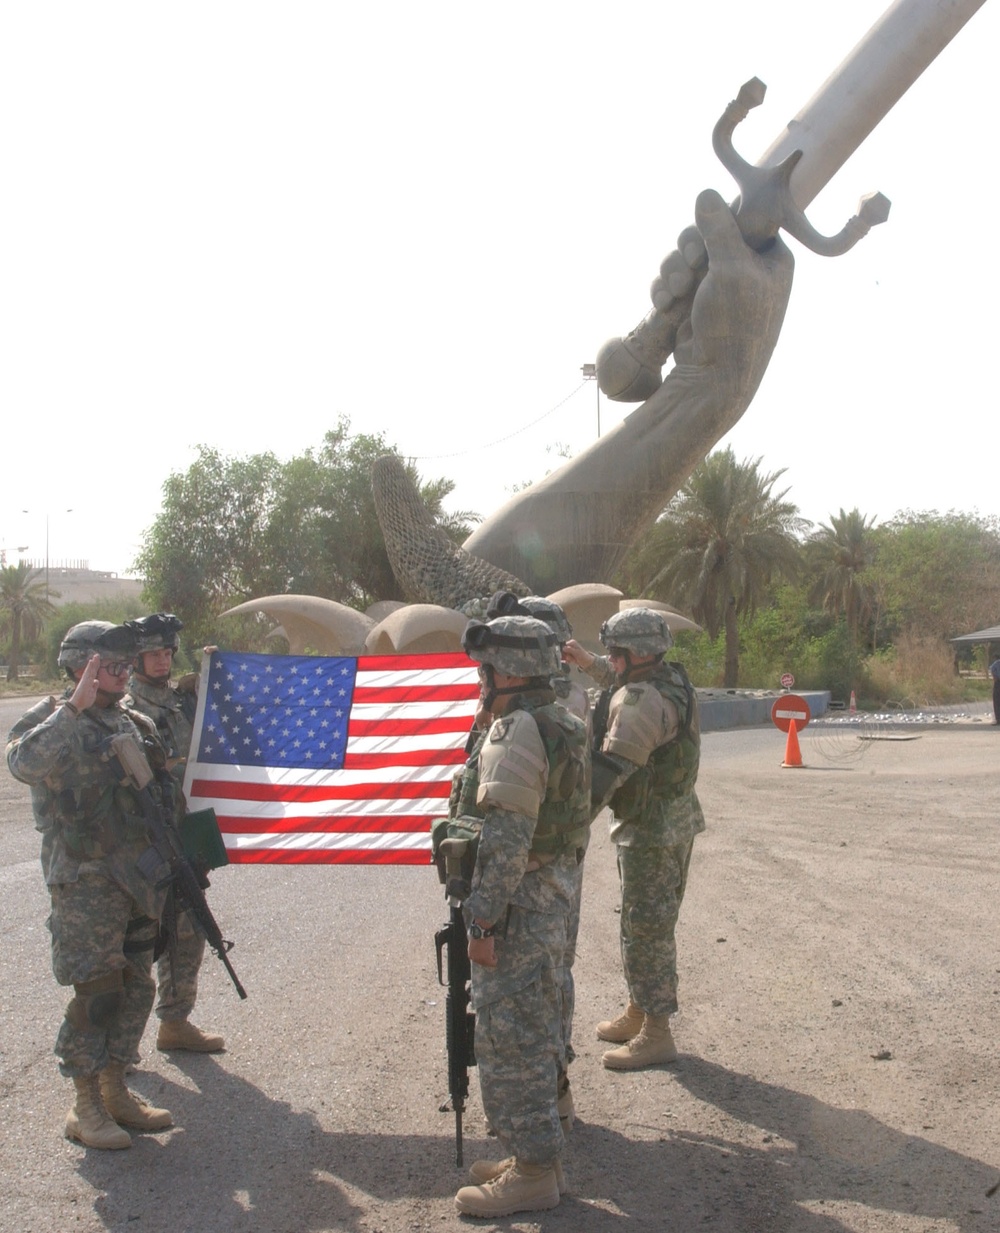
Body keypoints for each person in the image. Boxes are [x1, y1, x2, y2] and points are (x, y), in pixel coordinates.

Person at [6, 621, 176, 1149]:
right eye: (114, 666)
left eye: (128, 666)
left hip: (137, 879)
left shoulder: (136, 721)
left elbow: (163, 795)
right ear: (82, 666)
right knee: (98, 995)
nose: (126, 674)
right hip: (85, 882)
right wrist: (74, 705)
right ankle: (84, 1106)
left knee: (138, 987)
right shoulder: (53, 720)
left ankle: (115, 1088)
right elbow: (24, 763)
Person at [452, 614, 591, 1217]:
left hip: (520, 908)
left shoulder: (517, 730)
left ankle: (534, 1172)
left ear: (506, 669)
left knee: (512, 1039)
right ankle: (538, 1155)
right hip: (552, 898)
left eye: (486, 668)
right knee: (540, 1025)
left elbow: (506, 839)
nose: (482, 679)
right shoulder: (562, 719)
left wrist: (482, 923)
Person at [563, 606, 704, 1070]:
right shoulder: (663, 678)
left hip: (653, 831)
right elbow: (616, 680)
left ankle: (657, 1032)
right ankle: (640, 1009)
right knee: (640, 924)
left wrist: (565, 826)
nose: (611, 661)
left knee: (647, 931)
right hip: (662, 822)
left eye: (616, 653)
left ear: (638, 654)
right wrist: (586, 662)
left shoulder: (642, 702)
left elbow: (609, 774)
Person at [484, 592, 590, 1130]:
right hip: (561, 864)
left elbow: (511, 817)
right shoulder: (566, 708)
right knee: (553, 979)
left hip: (532, 872)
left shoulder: (533, 718)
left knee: (528, 996)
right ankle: (554, 1089)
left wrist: (483, 909)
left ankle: (538, 1112)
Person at [124, 612, 223, 1053]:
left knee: (189, 930)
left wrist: (213, 673)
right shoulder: (125, 707)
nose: (162, 662)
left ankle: (175, 1021)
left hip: (184, 831)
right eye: (153, 655)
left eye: (167, 653)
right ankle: (117, 1050)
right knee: (137, 939)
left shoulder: (180, 701)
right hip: (140, 838)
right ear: (135, 660)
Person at [989, 652, 1000, 724]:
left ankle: (998, 719)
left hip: (998, 682)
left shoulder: (996, 663)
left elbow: (992, 669)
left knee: (997, 701)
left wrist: (995, 678)